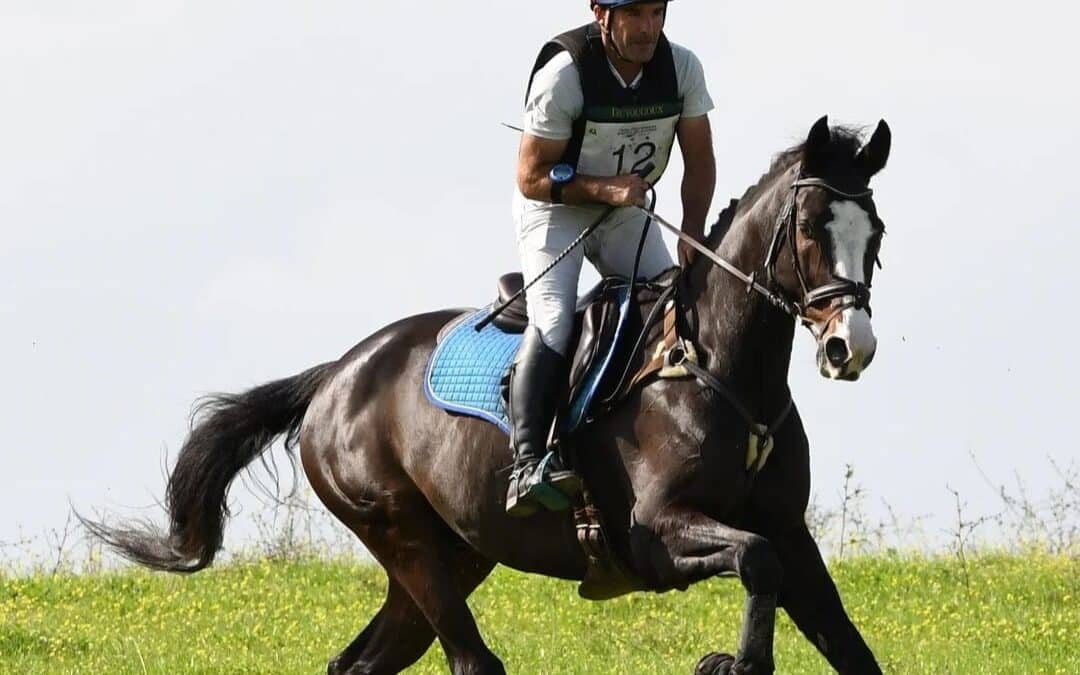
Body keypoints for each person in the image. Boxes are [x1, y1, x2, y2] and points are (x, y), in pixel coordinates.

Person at [506, 0, 716, 517]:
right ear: (602, 14)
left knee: (673, 304)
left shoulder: (682, 68)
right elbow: (532, 177)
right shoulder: (565, 74)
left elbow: (700, 163)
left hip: (624, 212)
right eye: (635, 15)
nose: (648, 29)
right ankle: (527, 463)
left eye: (656, 14)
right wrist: (605, 188)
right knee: (554, 320)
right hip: (555, 213)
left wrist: (692, 233)